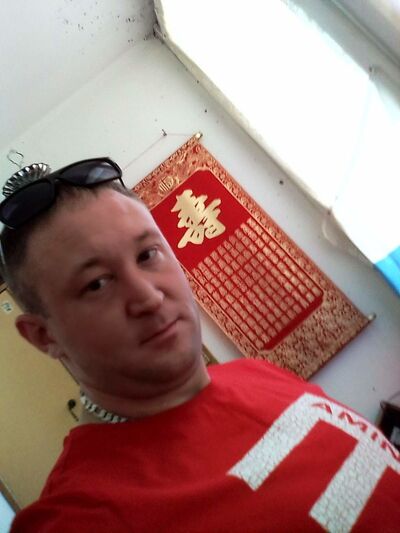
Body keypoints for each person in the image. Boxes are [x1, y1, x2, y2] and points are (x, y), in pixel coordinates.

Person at [1, 158, 399, 533]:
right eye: (96, 284)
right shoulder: (82, 517)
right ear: (44, 336)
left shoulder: (254, 371)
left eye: (147, 254)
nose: (148, 297)